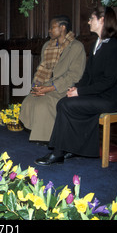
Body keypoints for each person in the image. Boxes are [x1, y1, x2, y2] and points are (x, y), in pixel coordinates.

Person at [35, 6, 117, 166]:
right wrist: (75, 88)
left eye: (92, 18)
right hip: (97, 95)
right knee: (63, 102)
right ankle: (71, 148)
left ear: (102, 20)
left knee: (66, 105)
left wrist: (80, 92)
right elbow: (88, 76)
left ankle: (58, 153)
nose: (89, 21)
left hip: (110, 98)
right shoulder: (96, 45)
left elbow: (107, 82)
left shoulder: (114, 47)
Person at [19, 15, 86, 143]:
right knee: (29, 100)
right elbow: (41, 68)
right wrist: (37, 86)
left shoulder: (76, 47)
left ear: (63, 28)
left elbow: (74, 75)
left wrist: (50, 88)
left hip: (64, 88)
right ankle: (40, 133)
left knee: (43, 104)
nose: (49, 30)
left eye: (52, 27)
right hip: (47, 85)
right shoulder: (47, 46)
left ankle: (49, 139)